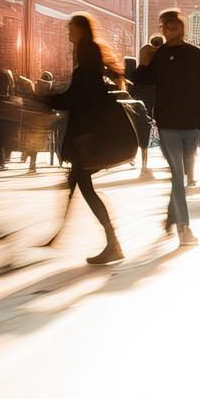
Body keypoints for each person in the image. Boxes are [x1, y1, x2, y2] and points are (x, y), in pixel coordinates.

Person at [130, 10, 200, 246]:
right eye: (165, 28)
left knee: (181, 175)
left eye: (172, 27)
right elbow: (142, 82)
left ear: (182, 29)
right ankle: (184, 227)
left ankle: (173, 217)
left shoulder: (197, 55)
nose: (168, 31)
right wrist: (143, 63)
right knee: (177, 175)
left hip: (192, 125)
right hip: (168, 125)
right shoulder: (159, 55)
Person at [45, 13, 127, 265]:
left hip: (87, 136)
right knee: (76, 184)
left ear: (81, 29)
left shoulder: (87, 56)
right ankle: (57, 235)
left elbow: (77, 98)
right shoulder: (88, 55)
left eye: (71, 28)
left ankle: (113, 243)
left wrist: (46, 99)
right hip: (87, 133)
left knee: (85, 187)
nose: (68, 32)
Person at [125, 54, 155, 179]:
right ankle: (144, 164)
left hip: (133, 110)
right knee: (144, 140)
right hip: (147, 110)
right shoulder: (152, 73)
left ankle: (132, 157)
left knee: (134, 136)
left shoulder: (131, 78)